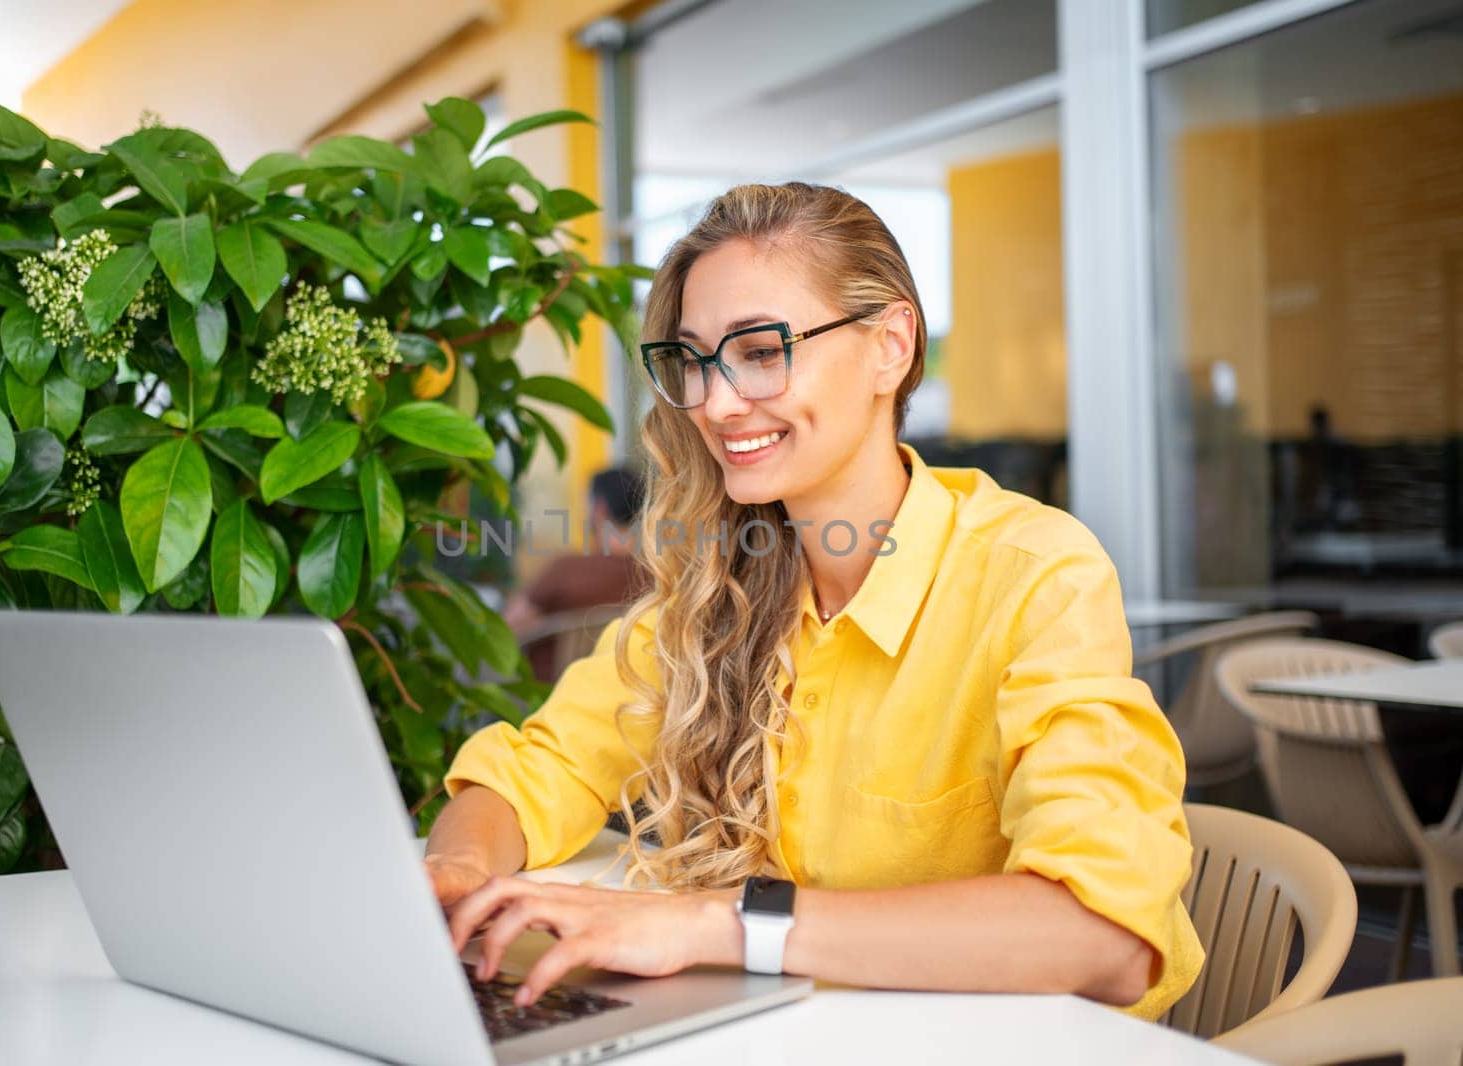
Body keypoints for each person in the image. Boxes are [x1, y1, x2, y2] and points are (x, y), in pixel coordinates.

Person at [424, 182, 1202, 1020]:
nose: (715, 403)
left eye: (760, 351)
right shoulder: (718, 584)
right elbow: (541, 769)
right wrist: (460, 876)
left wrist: (720, 925)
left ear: (890, 347)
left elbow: (1104, 938)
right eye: (695, 359)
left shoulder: (1035, 577)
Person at [501, 467, 647, 683]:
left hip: (554, 696)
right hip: (631, 692)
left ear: (599, 509)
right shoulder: (657, 575)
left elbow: (507, 626)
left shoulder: (566, 570)